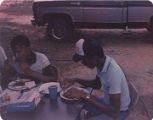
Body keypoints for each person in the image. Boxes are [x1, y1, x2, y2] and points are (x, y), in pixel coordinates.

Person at [61, 38, 131, 120]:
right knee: (77, 101)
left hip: (118, 112)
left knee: (83, 97)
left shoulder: (113, 72)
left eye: (84, 60)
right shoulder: (102, 63)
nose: (83, 63)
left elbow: (115, 112)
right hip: (107, 104)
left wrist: (85, 95)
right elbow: (97, 84)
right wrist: (76, 80)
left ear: (94, 57)